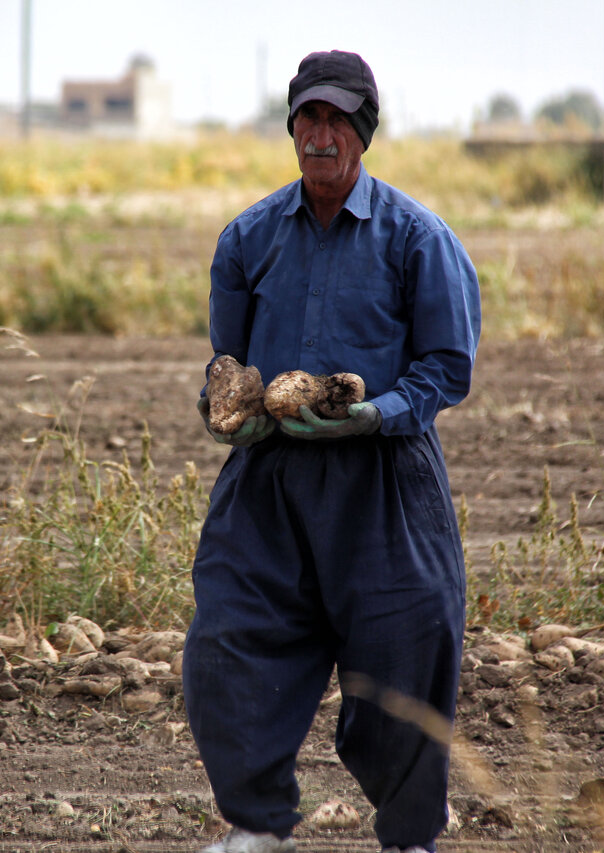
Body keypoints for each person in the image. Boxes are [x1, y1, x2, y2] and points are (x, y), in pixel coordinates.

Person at [183, 50, 481, 853]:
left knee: (403, 653)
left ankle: (412, 836)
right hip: (270, 481)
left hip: (383, 477)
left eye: (338, 119)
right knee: (229, 643)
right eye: (308, 117)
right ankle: (256, 826)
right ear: (292, 128)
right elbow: (227, 368)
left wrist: (373, 413)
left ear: (364, 133)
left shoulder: (418, 238)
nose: (321, 134)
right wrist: (230, 417)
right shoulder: (247, 238)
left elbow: (446, 368)